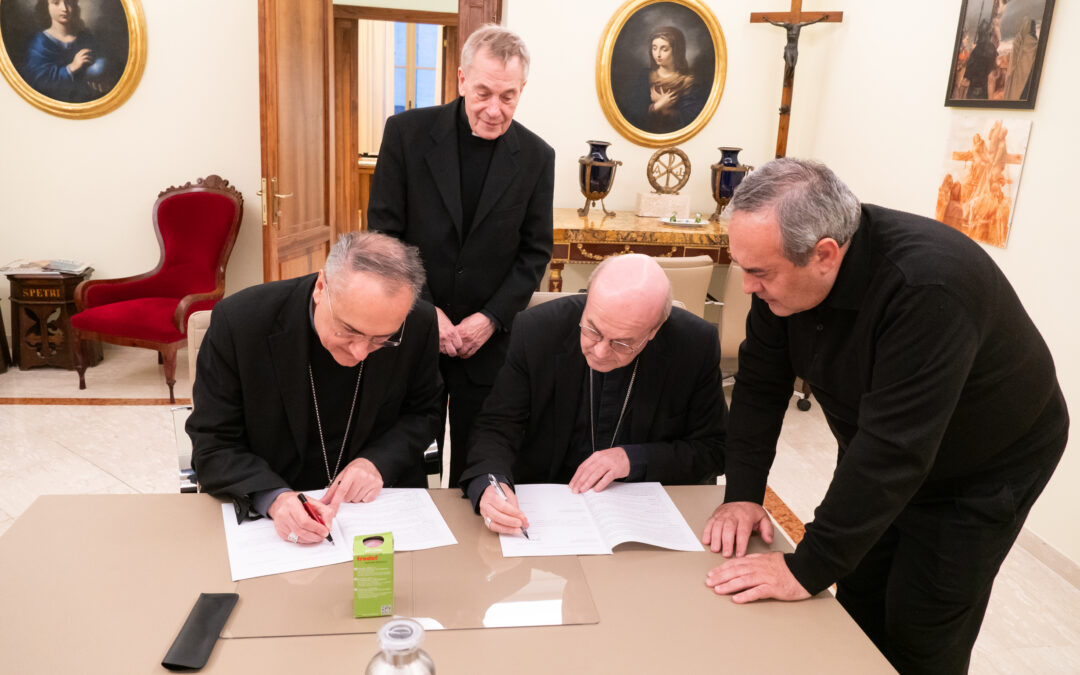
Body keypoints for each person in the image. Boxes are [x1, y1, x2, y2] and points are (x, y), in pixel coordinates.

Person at [701, 159, 1068, 675]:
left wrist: (805, 569)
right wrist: (742, 493)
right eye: (743, 268)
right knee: (862, 592)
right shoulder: (782, 276)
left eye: (759, 272)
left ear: (824, 255)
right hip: (885, 437)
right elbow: (760, 388)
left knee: (922, 619)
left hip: (984, 462)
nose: (747, 287)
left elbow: (894, 452)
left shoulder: (926, 287)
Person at [368, 25, 554, 487]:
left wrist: (489, 318)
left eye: (508, 97)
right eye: (484, 92)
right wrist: (426, 311)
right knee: (400, 453)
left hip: (486, 342)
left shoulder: (537, 156)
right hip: (410, 326)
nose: (495, 110)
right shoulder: (406, 134)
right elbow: (385, 234)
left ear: (522, 90)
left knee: (479, 459)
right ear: (461, 80)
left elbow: (535, 252)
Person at [188, 232, 442, 545]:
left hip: (376, 510)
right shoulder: (241, 322)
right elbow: (213, 443)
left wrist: (376, 463)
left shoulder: (419, 322)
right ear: (321, 288)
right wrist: (275, 498)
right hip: (272, 515)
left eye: (381, 339)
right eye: (349, 331)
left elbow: (424, 413)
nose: (360, 352)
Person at [460, 254, 727, 535]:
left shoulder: (695, 345)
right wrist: (490, 484)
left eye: (622, 343)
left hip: (642, 519)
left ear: (653, 331)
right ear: (587, 302)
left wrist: (632, 459)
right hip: (546, 517)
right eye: (593, 330)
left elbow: (715, 449)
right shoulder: (537, 331)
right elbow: (496, 427)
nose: (599, 351)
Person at [23, 0, 109, 103]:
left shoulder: (85, 38)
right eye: (56, 3)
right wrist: (71, 67)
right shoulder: (39, 43)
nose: (64, 8)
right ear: (46, 6)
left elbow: (100, 66)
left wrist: (102, 78)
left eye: (68, 2)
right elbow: (37, 81)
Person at [642, 26, 702, 134]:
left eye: (664, 49)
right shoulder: (643, 77)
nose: (658, 54)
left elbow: (691, 120)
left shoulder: (686, 82)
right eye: (654, 48)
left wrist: (665, 109)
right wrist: (657, 106)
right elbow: (634, 114)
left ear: (676, 51)